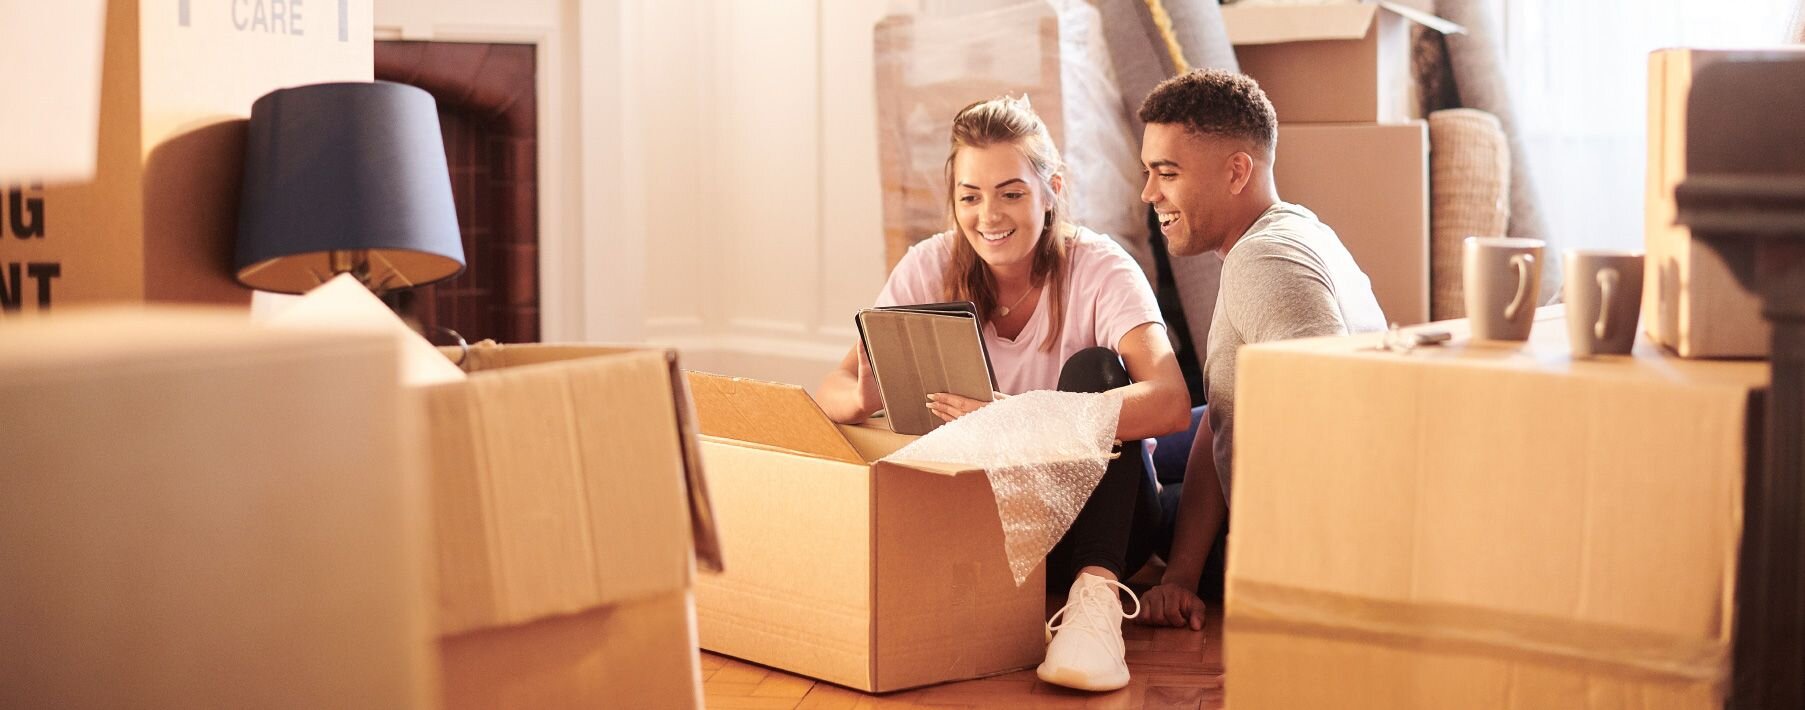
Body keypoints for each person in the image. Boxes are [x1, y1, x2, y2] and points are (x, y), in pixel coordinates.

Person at [817, 95, 1191, 692]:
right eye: (970, 196)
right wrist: (862, 399)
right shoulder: (929, 266)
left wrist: (1023, 415)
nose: (989, 215)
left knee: (1097, 368)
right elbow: (835, 386)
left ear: (1052, 190)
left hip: (1101, 523)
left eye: (1011, 192)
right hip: (988, 526)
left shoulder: (1101, 269)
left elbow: (1169, 401)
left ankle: (1094, 608)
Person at [1134, 69, 1388, 631]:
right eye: (1149, 172)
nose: (1150, 193)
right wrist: (1179, 572)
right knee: (1142, 436)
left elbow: (1327, 436)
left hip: (1295, 543)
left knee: (1124, 494)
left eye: (1167, 173)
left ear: (1237, 171)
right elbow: (1227, 415)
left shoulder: (1264, 263)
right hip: (1268, 484)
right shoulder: (1300, 230)